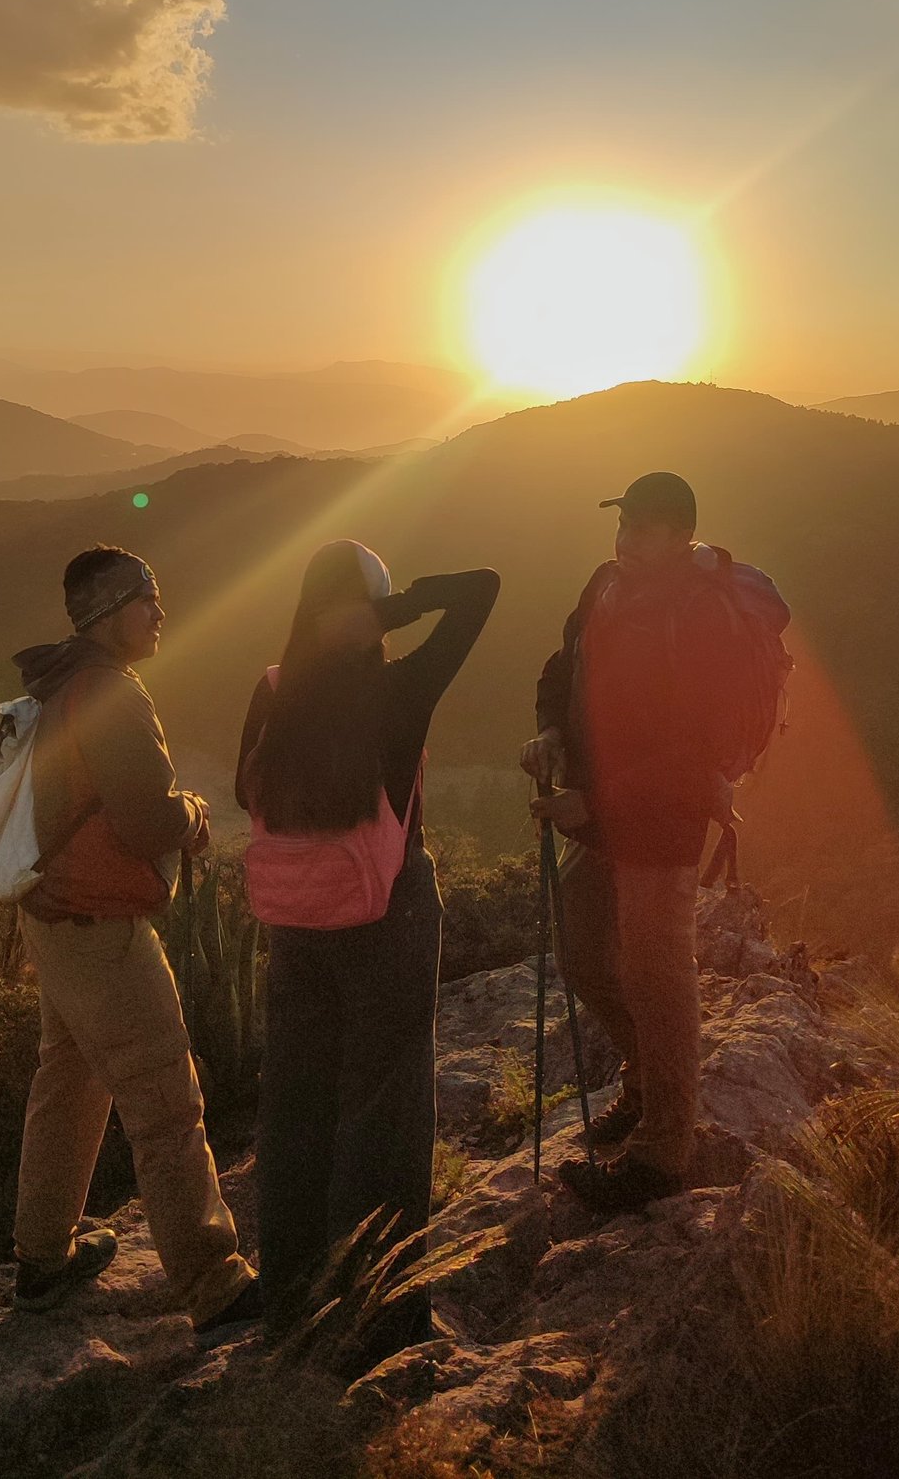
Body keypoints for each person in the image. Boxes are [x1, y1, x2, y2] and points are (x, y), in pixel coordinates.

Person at [237, 542, 499, 1349]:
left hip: (295, 921)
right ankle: (379, 1316)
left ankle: (289, 1292)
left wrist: (336, 618)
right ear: (372, 611)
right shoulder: (397, 687)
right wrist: (392, 607)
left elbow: (252, 791)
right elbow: (481, 585)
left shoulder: (274, 689)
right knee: (381, 1111)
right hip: (387, 914)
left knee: (296, 1102)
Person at [522, 472, 790, 1216]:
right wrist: (549, 731)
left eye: (642, 527)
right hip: (600, 814)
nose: (625, 538)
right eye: (623, 524)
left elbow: (689, 755)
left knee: (657, 977)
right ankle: (642, 1083)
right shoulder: (606, 586)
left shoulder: (700, 614)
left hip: (663, 823)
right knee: (582, 951)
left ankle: (663, 1152)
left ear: (681, 535)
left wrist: (591, 799)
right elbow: (560, 666)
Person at [10, 544, 258, 1335]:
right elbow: (146, 817)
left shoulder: (54, 682)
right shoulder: (111, 694)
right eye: (148, 601)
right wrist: (191, 812)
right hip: (102, 928)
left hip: (50, 919)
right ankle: (214, 1281)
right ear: (112, 614)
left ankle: (42, 1258)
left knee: (70, 1080)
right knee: (167, 1104)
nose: (160, 613)